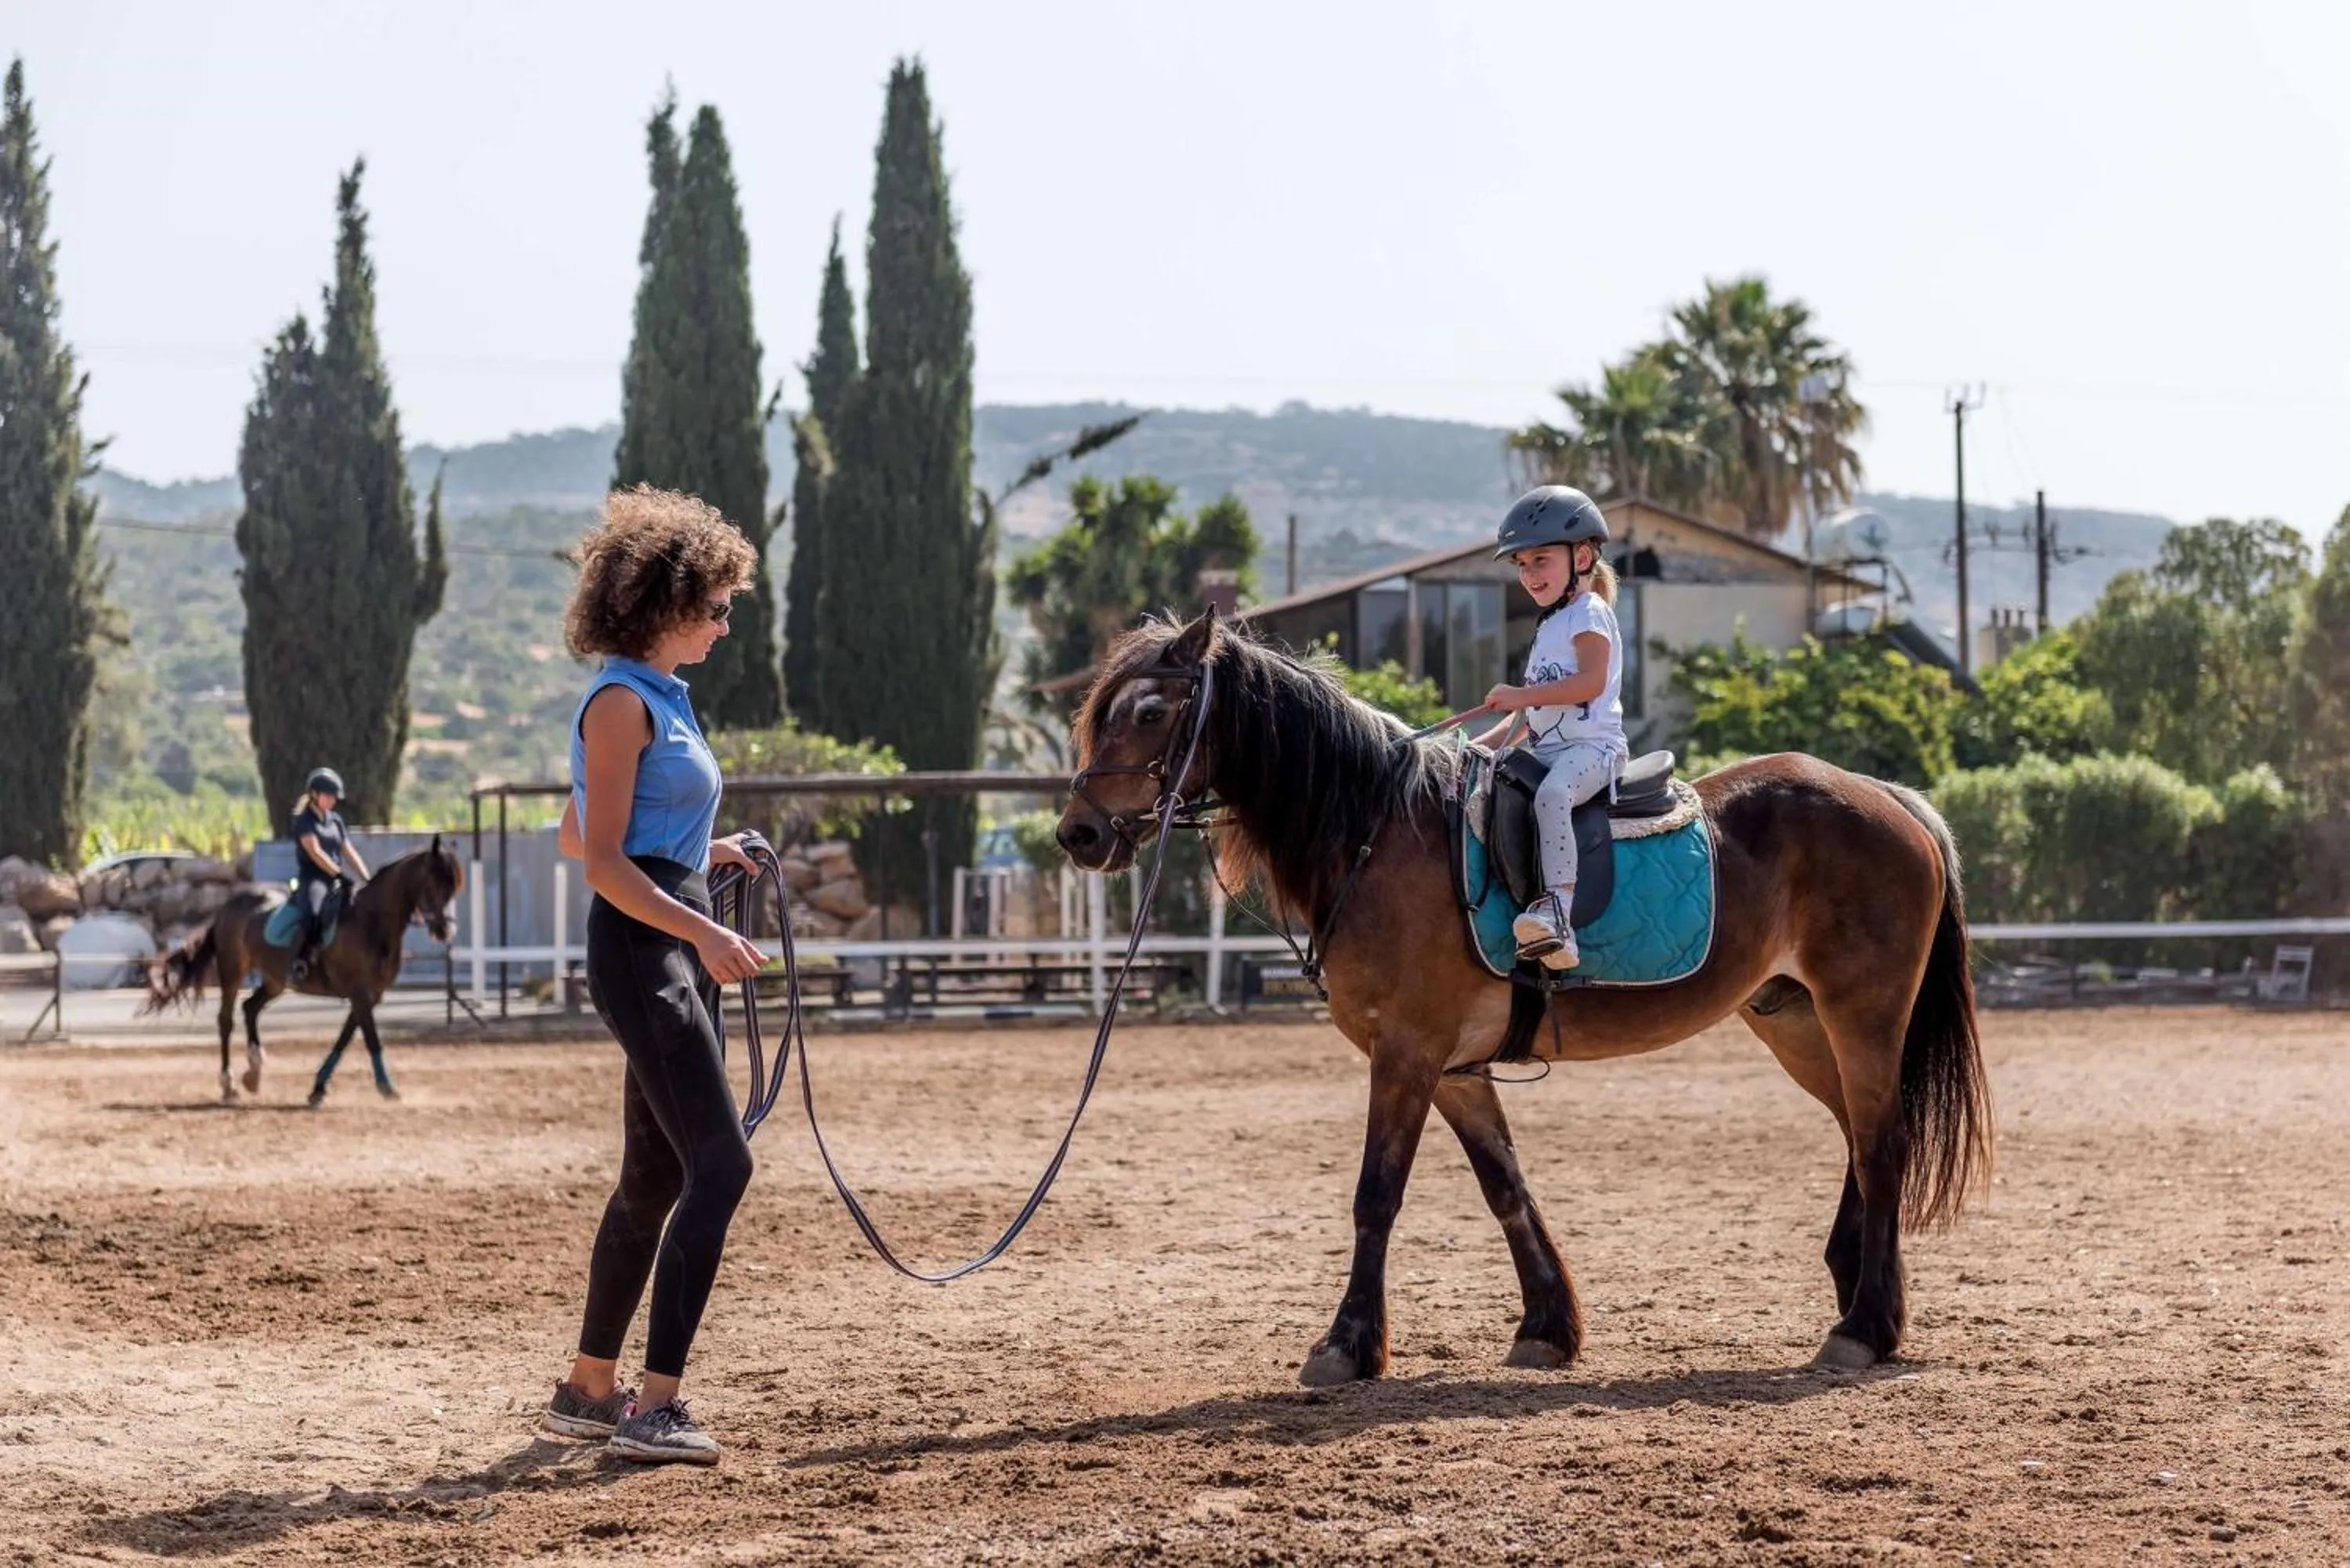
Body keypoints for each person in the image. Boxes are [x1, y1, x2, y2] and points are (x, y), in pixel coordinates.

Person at [540, 486, 767, 1468]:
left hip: (665, 931)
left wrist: (703, 849)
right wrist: (698, 931)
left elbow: (578, 826)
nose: (723, 623)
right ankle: (655, 1407)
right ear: (661, 603)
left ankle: (589, 1389)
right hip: (645, 949)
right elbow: (594, 863)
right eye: (714, 606)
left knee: (656, 1174)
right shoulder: (623, 702)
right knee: (722, 1164)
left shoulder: (658, 701)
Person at [1472, 486, 1629, 971]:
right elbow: (1530, 721)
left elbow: (1588, 683)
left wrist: (1520, 696)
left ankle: (1558, 912)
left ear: (1581, 557)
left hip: (1594, 750)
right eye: (1522, 564)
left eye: (1541, 559)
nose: (1530, 574)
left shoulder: (1589, 612)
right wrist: (1473, 748)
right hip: (1550, 749)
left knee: (1551, 796)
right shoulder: (1549, 626)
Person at [289, 767, 369, 983]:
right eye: (328, 796)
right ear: (314, 795)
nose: (333, 800)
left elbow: (349, 851)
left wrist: (366, 878)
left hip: (336, 878)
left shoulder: (335, 820)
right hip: (314, 879)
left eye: (335, 797)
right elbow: (315, 852)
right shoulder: (304, 821)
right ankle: (302, 960)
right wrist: (338, 874)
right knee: (314, 912)